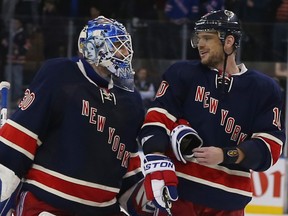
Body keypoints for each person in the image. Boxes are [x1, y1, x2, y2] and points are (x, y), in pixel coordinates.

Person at [138, 10, 285, 216]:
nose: (200, 44)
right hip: (179, 193)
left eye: (207, 38)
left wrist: (225, 154)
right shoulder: (182, 73)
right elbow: (156, 119)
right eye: (198, 38)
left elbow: (271, 146)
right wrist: (155, 157)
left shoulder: (264, 89)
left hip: (230, 200)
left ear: (229, 41)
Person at [0, 16, 145, 216]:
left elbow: (129, 177)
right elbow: (17, 143)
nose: (126, 52)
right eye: (118, 45)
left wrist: (151, 201)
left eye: (126, 46)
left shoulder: (132, 100)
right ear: (95, 47)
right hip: (48, 205)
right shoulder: (59, 75)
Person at [1, 17, 31, 105]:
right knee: (8, 81)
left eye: (15, 23)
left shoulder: (24, 34)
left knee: (17, 81)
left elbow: (27, 46)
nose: (13, 25)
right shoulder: (8, 33)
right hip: (9, 61)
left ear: (20, 23)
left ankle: (16, 100)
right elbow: (4, 43)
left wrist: (18, 50)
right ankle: (7, 100)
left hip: (18, 62)